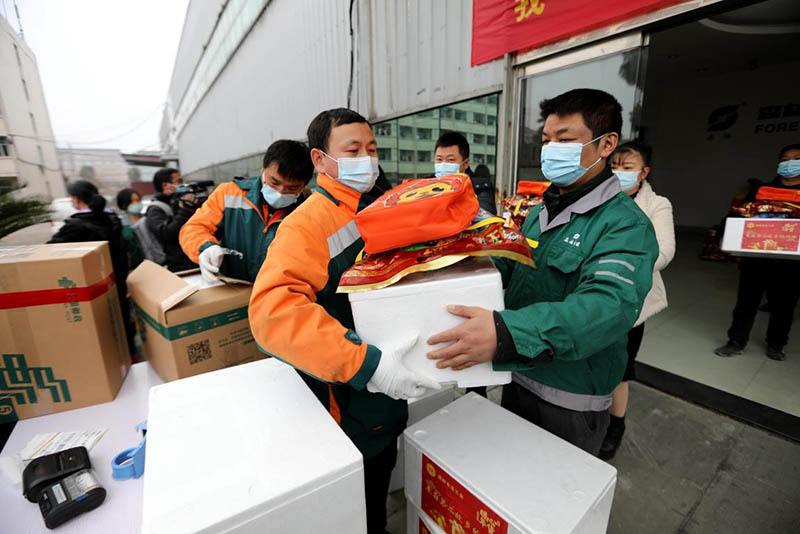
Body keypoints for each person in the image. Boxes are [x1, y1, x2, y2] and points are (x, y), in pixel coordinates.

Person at [426, 89, 658, 456]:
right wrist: (455, 266)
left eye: (565, 140)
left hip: (570, 398)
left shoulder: (626, 225)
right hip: (518, 375)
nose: (550, 150)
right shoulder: (539, 211)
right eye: (547, 141)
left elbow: (606, 307)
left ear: (606, 144)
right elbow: (512, 264)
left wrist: (507, 333)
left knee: (554, 495)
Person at [248, 108, 437, 533]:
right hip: (350, 400)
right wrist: (366, 364)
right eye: (353, 150)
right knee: (358, 500)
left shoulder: (374, 205)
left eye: (372, 149)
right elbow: (272, 313)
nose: (367, 160)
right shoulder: (306, 225)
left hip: (385, 396)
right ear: (320, 160)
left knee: (380, 477)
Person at [600, 141, 675, 460]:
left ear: (644, 172)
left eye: (628, 167)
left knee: (620, 369)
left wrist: (616, 264)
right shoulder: (599, 197)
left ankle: (616, 424)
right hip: (594, 298)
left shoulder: (658, 205)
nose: (619, 172)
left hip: (631, 303)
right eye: (614, 165)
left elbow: (663, 252)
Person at [179, 140, 313, 283]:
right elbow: (193, 228)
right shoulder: (229, 193)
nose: (281, 192)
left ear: (305, 184)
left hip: (281, 294)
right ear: (263, 166)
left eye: (292, 188)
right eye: (274, 182)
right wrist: (205, 247)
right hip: (234, 289)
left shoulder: (310, 207)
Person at [714, 144, 800, 361]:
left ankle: (776, 344)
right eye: (785, 159)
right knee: (746, 302)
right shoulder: (761, 190)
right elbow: (737, 214)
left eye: (796, 158)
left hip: (791, 261)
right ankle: (736, 341)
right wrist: (723, 235)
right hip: (756, 257)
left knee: (784, 305)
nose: (790, 163)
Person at [49, 180, 135, 356]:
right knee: (122, 325)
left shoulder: (74, 227)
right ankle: (132, 358)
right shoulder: (113, 220)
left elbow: (48, 252)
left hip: (90, 290)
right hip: (117, 282)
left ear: (76, 199)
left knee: (102, 333)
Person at [147, 167, 198, 272]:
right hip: (178, 265)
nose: (183, 185)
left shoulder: (179, 201)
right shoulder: (155, 209)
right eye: (179, 182)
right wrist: (185, 210)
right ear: (166, 186)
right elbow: (167, 233)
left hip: (193, 258)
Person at [434, 131, 496, 214]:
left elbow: (485, 219)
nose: (443, 164)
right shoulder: (426, 185)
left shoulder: (480, 188)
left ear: (466, 163)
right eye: (439, 159)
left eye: (451, 160)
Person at [115, 188, 145, 270]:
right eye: (132, 201)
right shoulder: (121, 224)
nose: (136, 203)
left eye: (138, 200)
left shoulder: (146, 218)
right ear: (124, 204)